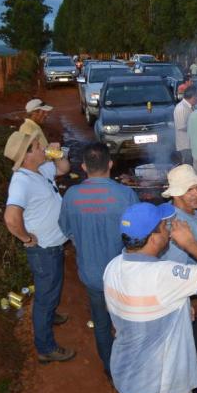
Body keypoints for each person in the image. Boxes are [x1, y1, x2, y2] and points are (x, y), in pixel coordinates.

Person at [104, 202, 197, 393]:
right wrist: (190, 243)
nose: (169, 230)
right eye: (165, 226)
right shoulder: (162, 274)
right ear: (154, 238)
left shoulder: (113, 266)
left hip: (129, 377)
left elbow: (127, 317)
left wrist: (180, 310)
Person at [58, 142, 138, 376]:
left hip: (92, 276)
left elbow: (66, 229)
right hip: (123, 276)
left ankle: (110, 368)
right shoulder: (126, 194)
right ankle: (131, 366)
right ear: (110, 164)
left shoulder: (71, 196)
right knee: (128, 321)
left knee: (101, 322)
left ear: (83, 167)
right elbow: (138, 235)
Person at [3, 132, 74, 363]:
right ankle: (46, 348)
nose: (42, 147)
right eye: (36, 146)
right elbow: (11, 218)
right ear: (26, 156)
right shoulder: (21, 181)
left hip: (52, 246)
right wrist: (26, 238)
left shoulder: (40, 170)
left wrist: (58, 153)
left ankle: (51, 314)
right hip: (43, 250)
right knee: (45, 296)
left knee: (51, 289)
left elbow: (63, 168)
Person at [160, 165, 197, 393]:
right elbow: (173, 272)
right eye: (189, 190)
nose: (196, 193)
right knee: (195, 355)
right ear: (175, 194)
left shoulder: (190, 213)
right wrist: (195, 300)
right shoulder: (177, 225)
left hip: (194, 298)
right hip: (189, 304)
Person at [174, 86, 197, 165]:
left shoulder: (191, 107)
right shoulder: (181, 108)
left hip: (192, 144)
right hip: (185, 145)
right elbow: (181, 126)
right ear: (193, 96)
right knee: (188, 168)